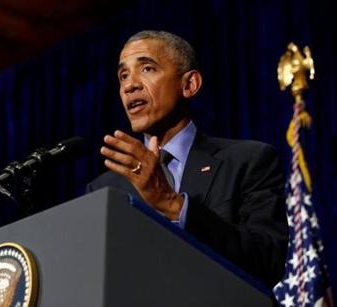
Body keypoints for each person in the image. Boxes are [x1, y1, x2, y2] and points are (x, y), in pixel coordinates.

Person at [86, 30, 288, 288]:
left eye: (147, 69)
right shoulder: (105, 189)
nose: (129, 85)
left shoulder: (249, 160)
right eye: (123, 75)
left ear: (189, 84)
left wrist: (172, 204)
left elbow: (267, 262)